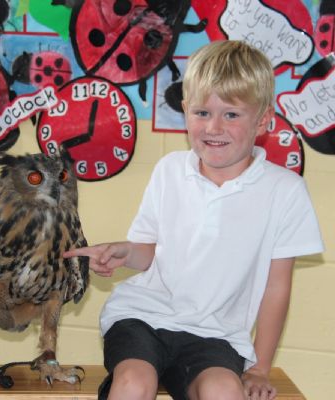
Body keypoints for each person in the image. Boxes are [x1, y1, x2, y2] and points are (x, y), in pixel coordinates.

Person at [64, 40, 324, 400]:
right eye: (202, 112)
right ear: (185, 110)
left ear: (263, 120)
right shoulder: (169, 170)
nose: (214, 127)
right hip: (144, 317)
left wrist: (260, 368)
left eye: (231, 115)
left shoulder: (285, 191)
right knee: (134, 383)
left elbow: (276, 288)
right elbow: (148, 252)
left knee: (224, 390)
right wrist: (125, 252)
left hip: (216, 334)